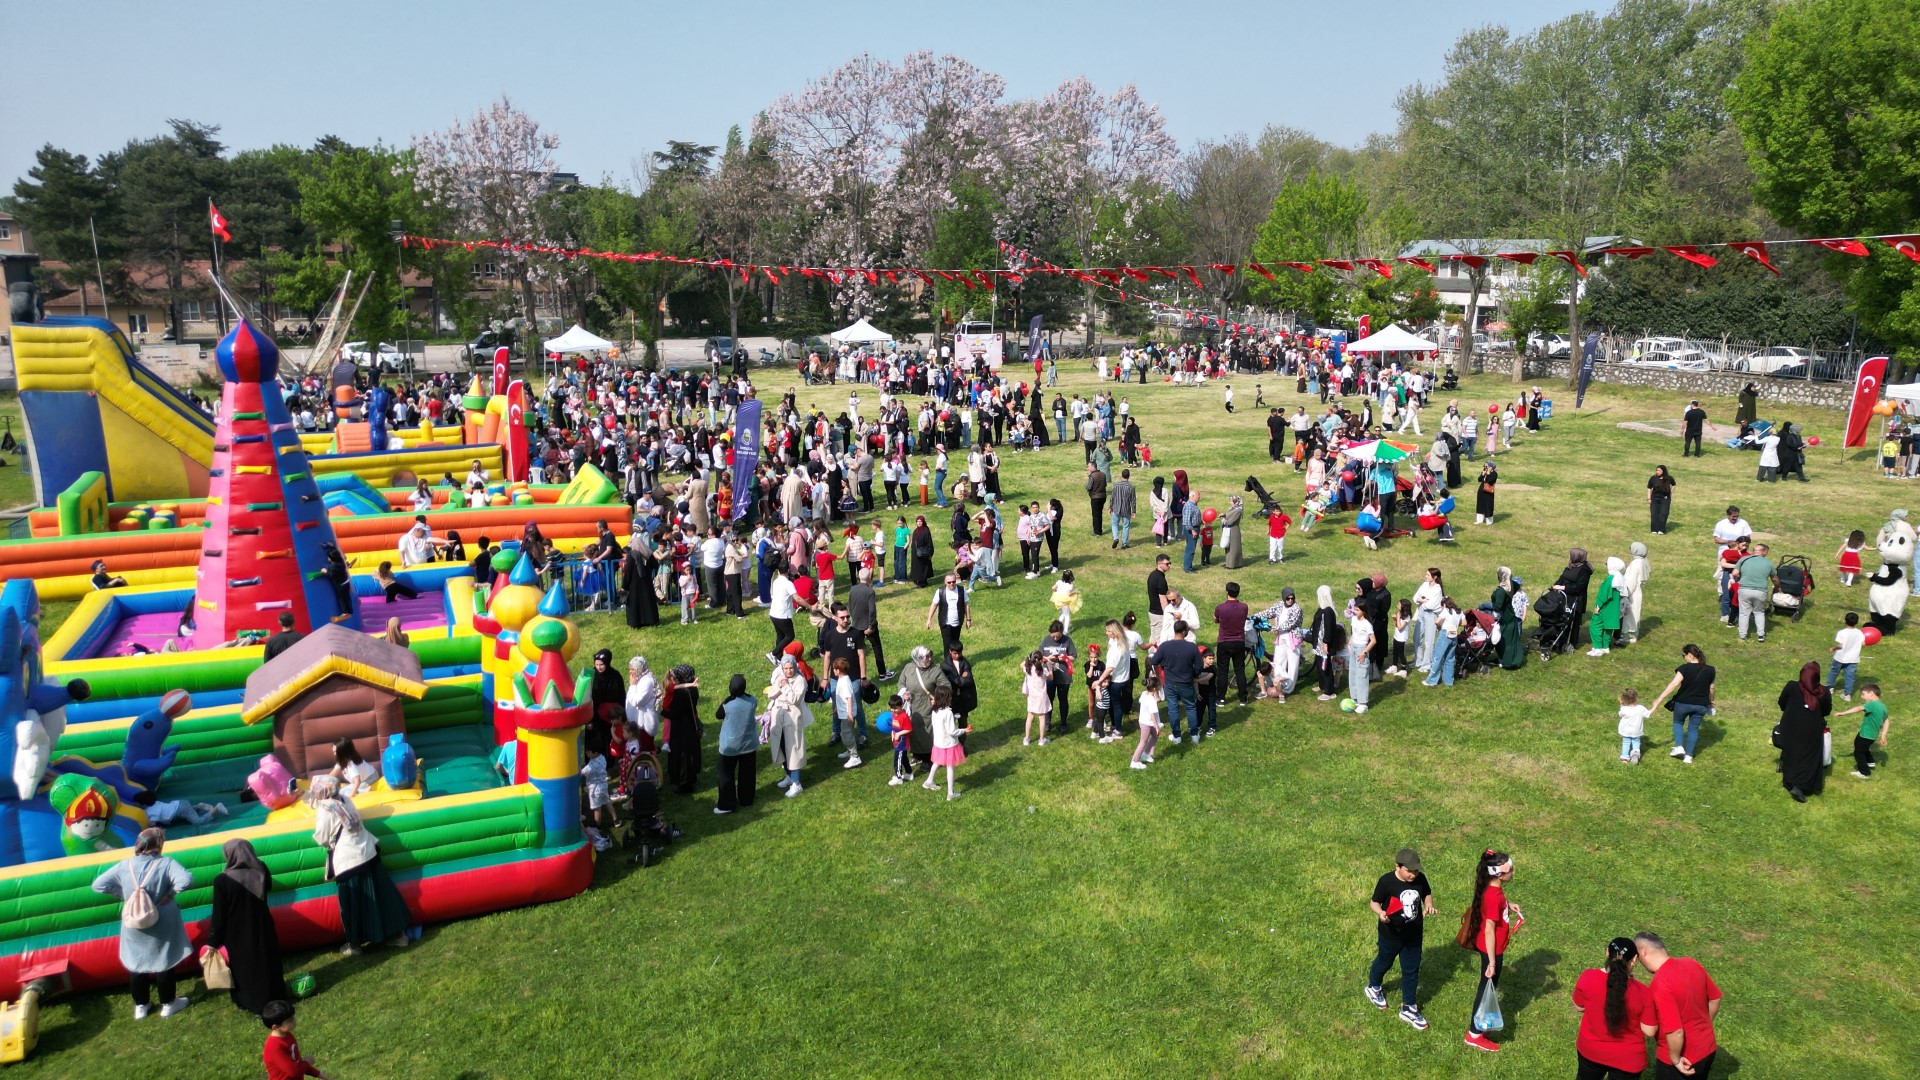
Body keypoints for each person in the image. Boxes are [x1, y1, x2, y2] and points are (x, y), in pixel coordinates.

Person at [91, 828, 195, 1019]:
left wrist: (124, 894)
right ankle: (168, 1004)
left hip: (133, 921)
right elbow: (186, 880)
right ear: (158, 844)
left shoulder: (125, 865)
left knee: (136, 962)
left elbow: (98, 885)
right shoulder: (166, 863)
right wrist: (169, 894)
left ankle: (141, 1006)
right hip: (162, 919)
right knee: (165, 959)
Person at [309, 775, 411, 954]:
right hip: (367, 851)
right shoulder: (345, 799)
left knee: (352, 904)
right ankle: (398, 936)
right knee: (382, 897)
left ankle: (354, 945)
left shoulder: (325, 808)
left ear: (322, 791)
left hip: (348, 861)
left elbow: (322, 837)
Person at [1364, 847, 1435, 1032]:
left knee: (1411, 970)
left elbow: (1426, 893)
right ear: (1398, 866)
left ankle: (1409, 1007)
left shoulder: (1420, 879)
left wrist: (1428, 905)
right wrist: (1380, 913)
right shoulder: (1387, 881)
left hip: (1413, 935)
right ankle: (1374, 986)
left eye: (1416, 870)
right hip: (1391, 934)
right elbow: (1374, 902)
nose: (1413, 875)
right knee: (1385, 961)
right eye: (1409, 871)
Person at [1460, 850, 1522, 1054]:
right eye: (1510, 869)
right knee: (1486, 989)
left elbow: (1493, 907)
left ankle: (1480, 1027)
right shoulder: (1493, 897)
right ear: (1498, 874)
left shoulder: (1493, 891)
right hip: (1491, 951)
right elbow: (1489, 930)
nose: (1513, 872)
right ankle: (1474, 1034)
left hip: (1489, 948)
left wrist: (1507, 905)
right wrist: (1492, 963)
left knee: (1487, 987)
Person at [1636, 932, 1722, 1080]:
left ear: (1643, 952)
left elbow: (1675, 1031)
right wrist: (1703, 1025)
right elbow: (1715, 998)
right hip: (1707, 1048)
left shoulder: (1660, 984)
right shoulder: (1691, 963)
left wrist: (1675, 1059)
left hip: (1684, 1059)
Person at [1572, 938, 1659, 1080]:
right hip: (1628, 1060)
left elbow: (1579, 1006)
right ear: (1634, 959)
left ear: (1607, 952)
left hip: (1591, 1051)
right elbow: (1649, 1031)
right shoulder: (1643, 992)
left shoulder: (1587, 977)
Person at [1646, 644, 1717, 764]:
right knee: (1693, 729)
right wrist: (1711, 702)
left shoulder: (1684, 668)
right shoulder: (1711, 670)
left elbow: (1673, 685)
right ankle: (1689, 756)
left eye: (1684, 655)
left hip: (1683, 703)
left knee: (1678, 723)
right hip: (1701, 705)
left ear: (1690, 655)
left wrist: (1659, 699)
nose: (1683, 657)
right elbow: (1712, 688)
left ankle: (1679, 746)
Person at [1776, 660, 1832, 802]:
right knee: (1810, 756)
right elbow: (1826, 711)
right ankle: (1802, 785)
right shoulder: (1823, 692)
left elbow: (1781, 703)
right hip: (1812, 728)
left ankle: (1790, 781)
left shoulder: (1791, 686)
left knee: (1791, 752)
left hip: (1790, 726)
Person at [898, 646, 950, 775]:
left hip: (927, 706)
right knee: (912, 730)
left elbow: (947, 687)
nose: (929, 658)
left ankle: (928, 758)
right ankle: (916, 754)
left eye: (930, 655)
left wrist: (937, 699)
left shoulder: (935, 671)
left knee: (926, 731)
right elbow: (901, 683)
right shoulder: (908, 668)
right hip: (911, 706)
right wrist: (904, 693)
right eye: (925, 657)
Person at [766, 654, 812, 798]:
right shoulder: (782, 678)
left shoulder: (800, 680)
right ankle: (788, 775)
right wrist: (781, 685)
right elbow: (771, 694)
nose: (788, 671)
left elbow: (795, 699)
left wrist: (785, 687)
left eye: (791, 667)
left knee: (793, 750)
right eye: (785, 668)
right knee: (781, 747)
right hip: (779, 718)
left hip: (792, 719)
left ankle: (796, 783)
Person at [713, 674, 758, 813]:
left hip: (729, 747)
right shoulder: (752, 701)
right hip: (749, 745)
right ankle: (746, 800)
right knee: (748, 774)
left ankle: (727, 805)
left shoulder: (727, 705)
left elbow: (718, 715)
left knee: (726, 775)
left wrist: (726, 700)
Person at [260, 1000, 332, 1080]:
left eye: (293, 1017)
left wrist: (319, 1074)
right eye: (290, 1020)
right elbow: (294, 1071)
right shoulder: (274, 1047)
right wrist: (307, 1062)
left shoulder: (287, 1035)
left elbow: (298, 1064)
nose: (294, 1021)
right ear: (276, 1027)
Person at [923, 686, 970, 799]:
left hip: (938, 742)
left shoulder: (935, 710)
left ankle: (929, 781)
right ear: (947, 698)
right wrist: (964, 730)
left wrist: (953, 717)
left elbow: (940, 723)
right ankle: (950, 793)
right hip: (949, 744)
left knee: (937, 762)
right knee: (950, 767)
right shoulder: (948, 713)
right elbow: (952, 731)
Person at [1734, 543, 1777, 643]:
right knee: (1759, 612)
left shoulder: (1744, 559)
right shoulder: (1769, 563)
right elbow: (1774, 578)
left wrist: (1743, 576)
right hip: (1760, 590)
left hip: (1745, 589)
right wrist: (1778, 587)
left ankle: (1743, 636)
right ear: (1765, 552)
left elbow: (1735, 572)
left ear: (1753, 551)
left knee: (1744, 613)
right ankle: (1761, 635)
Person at [925, 572, 970, 654]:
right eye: (949, 582)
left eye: (953, 581)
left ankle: (956, 661)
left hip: (957, 622)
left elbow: (966, 604)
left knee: (956, 644)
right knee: (947, 645)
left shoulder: (961, 590)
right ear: (945, 582)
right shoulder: (940, 591)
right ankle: (947, 663)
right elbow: (934, 605)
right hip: (945, 623)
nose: (952, 584)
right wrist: (929, 619)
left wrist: (968, 619)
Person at [1587, 557, 1625, 657]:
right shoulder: (1620, 578)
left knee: (1594, 626)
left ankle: (1598, 648)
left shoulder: (1610, 579)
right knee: (1608, 627)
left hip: (1605, 608)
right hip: (1614, 608)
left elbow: (1603, 595)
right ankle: (1605, 647)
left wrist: (1598, 606)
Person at [1492, 569, 1527, 671]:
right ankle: (1515, 660)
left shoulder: (1500, 591)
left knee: (1505, 640)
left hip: (1504, 618)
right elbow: (1517, 585)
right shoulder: (1512, 586)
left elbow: (1497, 606)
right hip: (1511, 615)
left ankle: (1507, 661)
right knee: (1512, 639)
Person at [1827, 611, 1865, 699]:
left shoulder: (1842, 632)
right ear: (1857, 622)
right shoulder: (1859, 632)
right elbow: (1864, 643)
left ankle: (1829, 688)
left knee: (1833, 672)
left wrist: (1833, 649)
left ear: (1845, 620)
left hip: (1840, 658)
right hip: (1853, 659)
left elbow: (1840, 645)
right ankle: (1847, 694)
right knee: (1850, 676)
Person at [1346, 599, 1375, 713]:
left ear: (1363, 611)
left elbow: (1373, 641)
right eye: (1355, 609)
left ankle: (1363, 703)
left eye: (1357, 610)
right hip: (1353, 648)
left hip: (1362, 649)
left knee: (1361, 676)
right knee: (1352, 674)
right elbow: (1354, 633)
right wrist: (1350, 643)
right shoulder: (1354, 620)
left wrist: (1364, 653)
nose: (1355, 612)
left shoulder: (1367, 624)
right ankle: (1355, 699)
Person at [1130, 670, 1162, 770]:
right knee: (1143, 742)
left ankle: (1146, 754)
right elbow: (1152, 715)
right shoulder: (1151, 700)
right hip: (1146, 723)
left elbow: (1143, 701)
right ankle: (1134, 761)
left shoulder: (1144, 694)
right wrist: (1157, 726)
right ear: (1155, 688)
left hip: (1144, 721)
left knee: (1155, 736)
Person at [1022, 651, 1052, 746]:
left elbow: (1021, 664)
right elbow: (1051, 677)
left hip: (1031, 696)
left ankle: (1027, 739)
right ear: (1041, 660)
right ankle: (1041, 739)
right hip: (1041, 697)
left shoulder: (1028, 669)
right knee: (1041, 717)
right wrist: (1049, 664)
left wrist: (1029, 658)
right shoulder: (1043, 670)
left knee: (1030, 716)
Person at [1617, 687, 1650, 764]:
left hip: (1626, 730)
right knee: (1636, 741)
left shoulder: (1624, 709)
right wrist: (1656, 705)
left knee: (1626, 742)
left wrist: (1621, 705)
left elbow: (1620, 714)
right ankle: (1635, 753)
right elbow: (1648, 713)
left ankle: (1625, 758)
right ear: (1635, 698)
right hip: (1636, 730)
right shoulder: (1641, 708)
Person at [1110, 468, 1136, 550]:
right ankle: (1124, 544)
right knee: (1126, 526)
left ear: (1122, 475)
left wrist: (1110, 507)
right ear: (1129, 476)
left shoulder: (1116, 485)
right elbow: (1133, 500)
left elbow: (1112, 497)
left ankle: (1116, 538)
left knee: (1114, 524)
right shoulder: (1131, 487)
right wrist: (1134, 511)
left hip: (1116, 508)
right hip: (1126, 509)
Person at [1219, 495, 1245, 569]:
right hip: (1229, 530)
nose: (1230, 502)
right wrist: (1224, 515)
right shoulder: (1233, 509)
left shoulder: (1238, 511)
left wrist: (1224, 520)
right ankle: (1228, 563)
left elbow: (1230, 522)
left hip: (1233, 531)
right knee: (1228, 547)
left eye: (1231, 501)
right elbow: (1229, 515)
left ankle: (1233, 564)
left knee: (1233, 548)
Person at [1647, 465, 1675, 535]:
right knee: (1654, 514)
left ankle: (1661, 530)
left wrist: (1670, 492)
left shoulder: (1669, 478)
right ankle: (1654, 530)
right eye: (1656, 470)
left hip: (1665, 498)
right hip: (1655, 497)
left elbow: (1674, 484)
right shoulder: (1653, 478)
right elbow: (1649, 488)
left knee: (1664, 513)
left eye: (1659, 470)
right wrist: (1649, 498)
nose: (1657, 472)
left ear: (1663, 471)